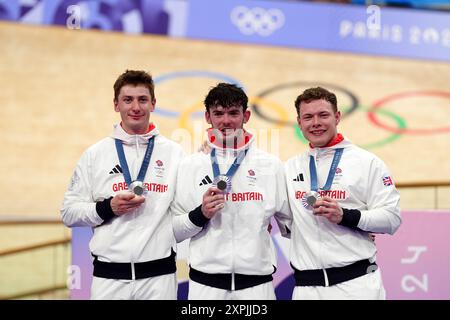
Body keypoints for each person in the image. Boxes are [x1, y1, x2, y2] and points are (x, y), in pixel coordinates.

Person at [61, 70, 184, 300]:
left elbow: (189, 208)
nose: (135, 107)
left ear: (153, 104)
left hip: (159, 280)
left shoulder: (175, 154)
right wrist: (108, 208)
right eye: (128, 100)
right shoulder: (95, 155)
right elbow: (69, 213)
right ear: (116, 105)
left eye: (142, 99)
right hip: (109, 280)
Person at [171, 83, 292, 300]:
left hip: (257, 287)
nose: (226, 121)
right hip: (205, 286)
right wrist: (201, 214)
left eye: (233, 113)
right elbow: (175, 231)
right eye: (218, 113)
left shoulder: (271, 165)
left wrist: (352, 228)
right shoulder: (189, 166)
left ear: (246, 115)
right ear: (207, 117)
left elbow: (291, 225)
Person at [285, 86, 401, 300]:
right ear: (299, 122)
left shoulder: (367, 163)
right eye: (308, 117)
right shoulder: (289, 168)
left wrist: (346, 216)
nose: (316, 123)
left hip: (357, 286)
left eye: (323, 115)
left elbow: (392, 219)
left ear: (337, 117)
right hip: (306, 290)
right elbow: (286, 223)